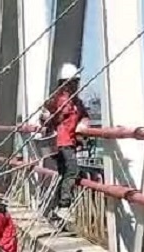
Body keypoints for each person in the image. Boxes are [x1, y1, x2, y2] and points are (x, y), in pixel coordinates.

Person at [40, 63, 90, 219]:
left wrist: (83, 124)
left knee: (64, 173)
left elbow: (84, 115)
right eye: (72, 82)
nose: (74, 85)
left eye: (75, 82)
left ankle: (56, 209)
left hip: (66, 142)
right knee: (72, 171)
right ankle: (63, 206)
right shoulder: (61, 100)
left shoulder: (75, 102)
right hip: (61, 142)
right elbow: (49, 115)